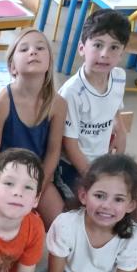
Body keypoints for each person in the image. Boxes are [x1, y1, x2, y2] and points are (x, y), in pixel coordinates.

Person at [0, 28, 67, 228]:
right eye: (24, 49)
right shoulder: (3, 101)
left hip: (39, 176)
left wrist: (38, 187)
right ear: (12, 67)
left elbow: (53, 151)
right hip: (6, 175)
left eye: (40, 48)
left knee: (60, 224)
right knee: (6, 223)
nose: (33, 51)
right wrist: (0, 184)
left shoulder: (58, 103)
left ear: (49, 62)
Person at [56, 10, 130, 204]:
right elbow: (70, 145)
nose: (105, 54)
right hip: (74, 166)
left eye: (114, 47)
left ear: (122, 53)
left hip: (104, 161)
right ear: (82, 48)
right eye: (98, 45)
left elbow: (115, 111)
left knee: (129, 197)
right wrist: (94, 178)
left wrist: (121, 132)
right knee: (86, 205)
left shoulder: (119, 76)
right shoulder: (72, 92)